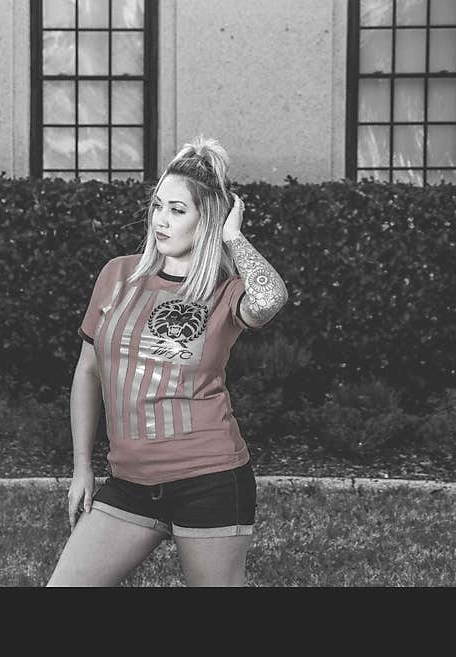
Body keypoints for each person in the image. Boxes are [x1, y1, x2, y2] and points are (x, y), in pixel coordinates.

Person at [46, 135, 289, 587]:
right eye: (158, 206)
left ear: (207, 219)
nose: (161, 220)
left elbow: (271, 297)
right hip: (129, 484)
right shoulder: (118, 275)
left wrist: (232, 237)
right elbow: (88, 370)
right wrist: (82, 466)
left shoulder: (224, 290)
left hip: (209, 480)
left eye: (178, 211)